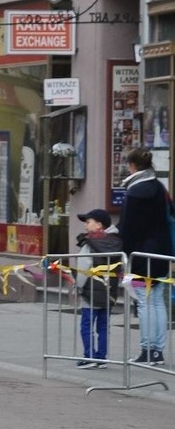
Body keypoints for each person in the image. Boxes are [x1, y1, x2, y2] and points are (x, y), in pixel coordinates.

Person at [118, 147, 172, 365]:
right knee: (157, 301)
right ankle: (157, 351)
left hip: (140, 255)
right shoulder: (159, 187)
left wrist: (125, 254)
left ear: (132, 166)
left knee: (144, 302)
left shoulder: (135, 191)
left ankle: (147, 350)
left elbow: (128, 228)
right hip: (162, 252)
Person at [74, 209, 122, 369]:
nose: (86, 226)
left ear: (99, 224)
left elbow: (84, 267)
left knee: (86, 325)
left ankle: (89, 356)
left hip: (91, 292)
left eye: (88, 222)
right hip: (109, 292)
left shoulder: (90, 244)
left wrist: (78, 286)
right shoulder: (116, 241)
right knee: (103, 325)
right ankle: (102, 358)